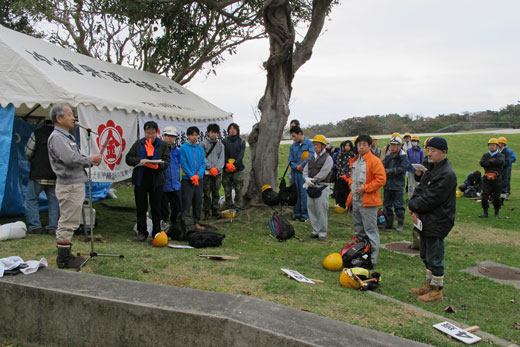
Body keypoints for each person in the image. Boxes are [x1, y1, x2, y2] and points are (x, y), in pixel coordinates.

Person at [47, 103, 102, 268]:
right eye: (70, 114)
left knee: (71, 220)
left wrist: (88, 161)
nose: (73, 118)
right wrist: (90, 160)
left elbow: (74, 156)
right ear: (59, 118)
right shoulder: (57, 137)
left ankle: (67, 254)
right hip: (69, 185)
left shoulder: (66, 136)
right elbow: (70, 159)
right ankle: (63, 259)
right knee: (67, 220)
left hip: (75, 183)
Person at [408, 137, 456, 302]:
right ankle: (429, 283)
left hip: (439, 219)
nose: (429, 153)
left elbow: (431, 198)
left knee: (435, 255)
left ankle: (437, 290)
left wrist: (413, 206)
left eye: (433, 150)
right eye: (428, 150)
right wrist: (413, 205)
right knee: (425, 253)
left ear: (444, 152)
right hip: (427, 218)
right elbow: (420, 188)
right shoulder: (432, 169)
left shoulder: (446, 174)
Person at [126, 121, 171, 242]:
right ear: (144, 132)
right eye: (147, 133)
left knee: (156, 208)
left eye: (152, 133)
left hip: (157, 180)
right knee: (141, 207)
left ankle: (156, 232)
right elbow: (128, 158)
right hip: (141, 179)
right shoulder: (139, 144)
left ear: (157, 132)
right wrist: (140, 160)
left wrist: (158, 165)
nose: (150, 136)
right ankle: (142, 232)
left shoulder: (162, 145)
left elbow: (166, 161)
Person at [347, 135, 386, 267]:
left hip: (368, 201)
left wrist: (366, 188)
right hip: (356, 200)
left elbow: (381, 179)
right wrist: (351, 184)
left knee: (370, 229)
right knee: (359, 229)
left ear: (370, 146)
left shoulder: (374, 161)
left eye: (364, 144)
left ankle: (373, 258)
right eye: (359, 145)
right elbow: (353, 177)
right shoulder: (355, 160)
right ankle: (362, 252)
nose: (361, 147)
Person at [25, 118, 59, 235]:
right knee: (54, 201)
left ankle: (35, 226)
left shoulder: (37, 133)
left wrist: (33, 161)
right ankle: (52, 227)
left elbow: (28, 152)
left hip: (38, 173)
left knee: (31, 199)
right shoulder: (60, 136)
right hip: (55, 174)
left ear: (44, 122)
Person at [303, 135, 333, 241]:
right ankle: (315, 230)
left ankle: (322, 233)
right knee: (311, 209)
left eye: (317, 145)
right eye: (314, 144)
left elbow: (324, 172)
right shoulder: (311, 158)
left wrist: (312, 180)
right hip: (311, 187)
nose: (315, 146)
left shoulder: (328, 158)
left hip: (322, 187)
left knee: (321, 211)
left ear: (323, 146)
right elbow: (305, 169)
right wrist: (306, 178)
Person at [180, 126, 206, 229]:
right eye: (192, 135)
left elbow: (203, 163)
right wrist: (191, 176)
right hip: (187, 180)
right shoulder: (183, 148)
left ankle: (196, 221)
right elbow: (184, 164)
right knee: (187, 201)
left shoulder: (199, 149)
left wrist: (198, 175)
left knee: (198, 200)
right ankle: (185, 222)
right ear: (188, 136)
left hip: (199, 180)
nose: (194, 137)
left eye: (196, 135)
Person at [382, 136, 409, 232]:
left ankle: (400, 224)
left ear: (399, 147)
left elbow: (402, 169)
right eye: (391, 145)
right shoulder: (388, 157)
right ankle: (389, 223)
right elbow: (382, 165)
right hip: (387, 185)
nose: (392, 147)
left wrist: (389, 171)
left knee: (398, 205)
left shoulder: (403, 157)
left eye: (394, 145)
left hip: (397, 185)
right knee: (387, 205)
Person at [288, 126, 314, 221]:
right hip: (294, 172)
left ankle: (305, 213)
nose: (293, 138)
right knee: (295, 192)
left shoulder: (310, 144)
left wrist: (302, 165)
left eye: (294, 136)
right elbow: (290, 159)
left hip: (304, 172)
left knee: (304, 193)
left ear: (300, 134)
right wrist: (295, 166)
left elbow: (311, 156)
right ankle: (297, 212)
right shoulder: (293, 146)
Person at [161, 126, 182, 234]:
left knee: (177, 209)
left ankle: (175, 229)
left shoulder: (177, 151)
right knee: (163, 210)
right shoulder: (159, 149)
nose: (170, 139)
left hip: (176, 185)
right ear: (164, 136)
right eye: (168, 136)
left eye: (173, 137)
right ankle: (163, 229)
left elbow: (179, 165)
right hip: (164, 185)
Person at [201, 123, 225, 219]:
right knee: (206, 193)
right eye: (212, 132)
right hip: (206, 173)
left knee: (216, 192)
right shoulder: (202, 144)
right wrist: (210, 167)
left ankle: (215, 210)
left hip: (217, 173)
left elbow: (221, 158)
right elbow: (202, 158)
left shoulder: (221, 145)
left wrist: (217, 168)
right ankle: (206, 211)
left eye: (215, 132)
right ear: (208, 132)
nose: (213, 134)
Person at [479, 138, 505, 218]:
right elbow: (482, 163)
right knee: (484, 195)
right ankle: (485, 213)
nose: (491, 147)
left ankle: (496, 213)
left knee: (497, 196)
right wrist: (493, 161)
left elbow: (500, 162)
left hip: (497, 179)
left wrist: (489, 162)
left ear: (497, 146)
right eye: (490, 145)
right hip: (487, 179)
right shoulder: (485, 155)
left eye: (493, 145)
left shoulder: (501, 155)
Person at [222, 123, 246, 211]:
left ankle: (238, 205)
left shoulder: (241, 141)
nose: (232, 130)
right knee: (227, 188)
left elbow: (241, 154)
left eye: (234, 129)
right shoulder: (224, 141)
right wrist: (227, 164)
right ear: (228, 130)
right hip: (226, 169)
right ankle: (228, 204)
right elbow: (222, 154)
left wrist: (235, 164)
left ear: (237, 130)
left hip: (238, 169)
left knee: (238, 188)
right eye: (231, 128)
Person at [333, 140, 355, 208]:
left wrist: (348, 175)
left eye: (348, 146)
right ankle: (341, 206)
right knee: (340, 192)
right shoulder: (340, 154)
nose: (347, 147)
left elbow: (352, 166)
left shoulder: (353, 155)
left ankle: (350, 206)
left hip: (349, 177)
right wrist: (342, 175)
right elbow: (339, 165)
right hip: (340, 176)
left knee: (349, 192)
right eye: (346, 145)